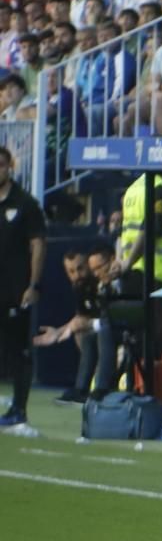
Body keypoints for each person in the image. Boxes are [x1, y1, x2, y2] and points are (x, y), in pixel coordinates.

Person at [0, 144, 47, 427]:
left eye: (1, 165)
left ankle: (19, 407)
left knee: (17, 349)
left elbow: (38, 244)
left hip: (15, 289)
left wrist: (33, 284)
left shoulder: (26, 204)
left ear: (9, 168)